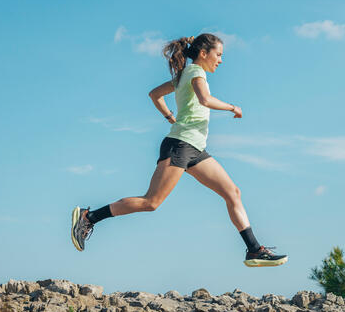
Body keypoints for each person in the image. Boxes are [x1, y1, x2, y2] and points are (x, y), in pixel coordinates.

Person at [70, 33, 287, 267]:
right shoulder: (195, 72)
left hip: (195, 148)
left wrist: (171, 117)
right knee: (151, 202)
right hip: (180, 146)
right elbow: (205, 99)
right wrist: (233, 107)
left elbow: (155, 95)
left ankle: (254, 250)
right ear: (204, 54)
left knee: (232, 192)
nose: (221, 60)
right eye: (219, 55)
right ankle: (88, 217)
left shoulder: (184, 74)